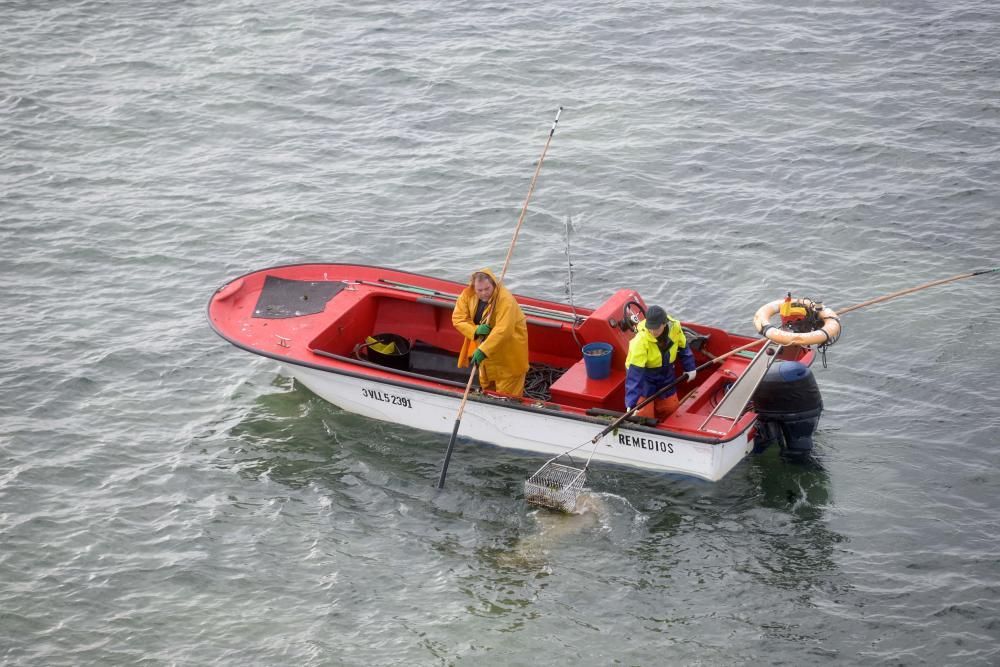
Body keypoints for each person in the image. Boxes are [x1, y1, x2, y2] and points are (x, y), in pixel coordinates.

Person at [452, 268, 529, 396]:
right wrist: (475, 330)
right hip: (486, 361)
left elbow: (504, 330)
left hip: (508, 359)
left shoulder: (505, 300)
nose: (484, 293)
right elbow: (458, 318)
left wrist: (483, 350)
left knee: (507, 399)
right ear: (473, 287)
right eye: (480, 290)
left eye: (487, 289)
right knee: (488, 393)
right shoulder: (467, 295)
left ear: (493, 284)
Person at [624, 305, 697, 422]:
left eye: (656, 328)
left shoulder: (675, 328)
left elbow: (683, 347)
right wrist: (631, 403)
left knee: (670, 410)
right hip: (645, 377)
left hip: (667, 373)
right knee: (643, 416)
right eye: (650, 328)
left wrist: (690, 368)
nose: (653, 331)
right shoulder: (640, 341)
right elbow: (635, 375)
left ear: (664, 323)